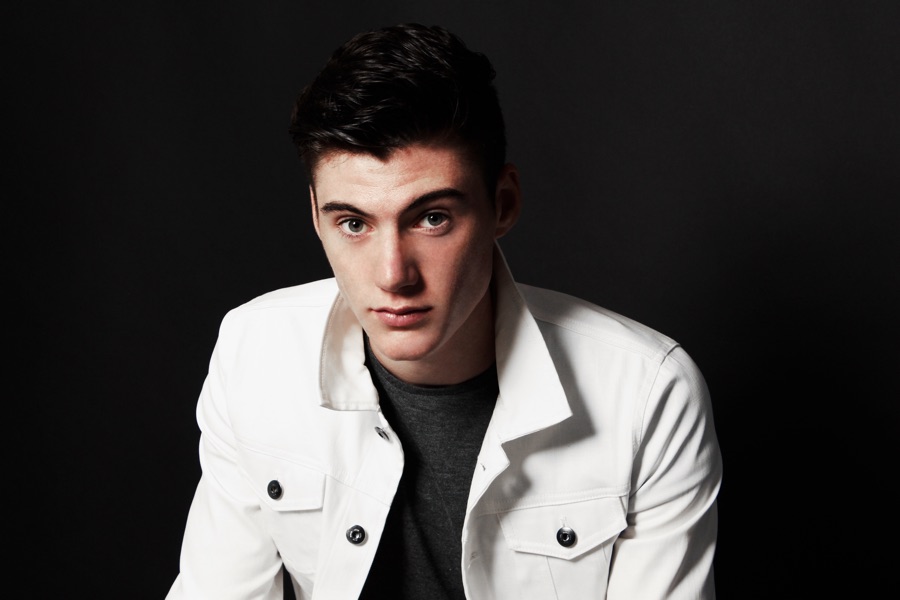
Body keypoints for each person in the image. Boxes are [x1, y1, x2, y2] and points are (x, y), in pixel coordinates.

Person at [167, 23, 722, 600]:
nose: (393, 275)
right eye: (353, 223)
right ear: (316, 216)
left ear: (502, 204)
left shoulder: (647, 394)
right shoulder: (254, 352)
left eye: (432, 218)